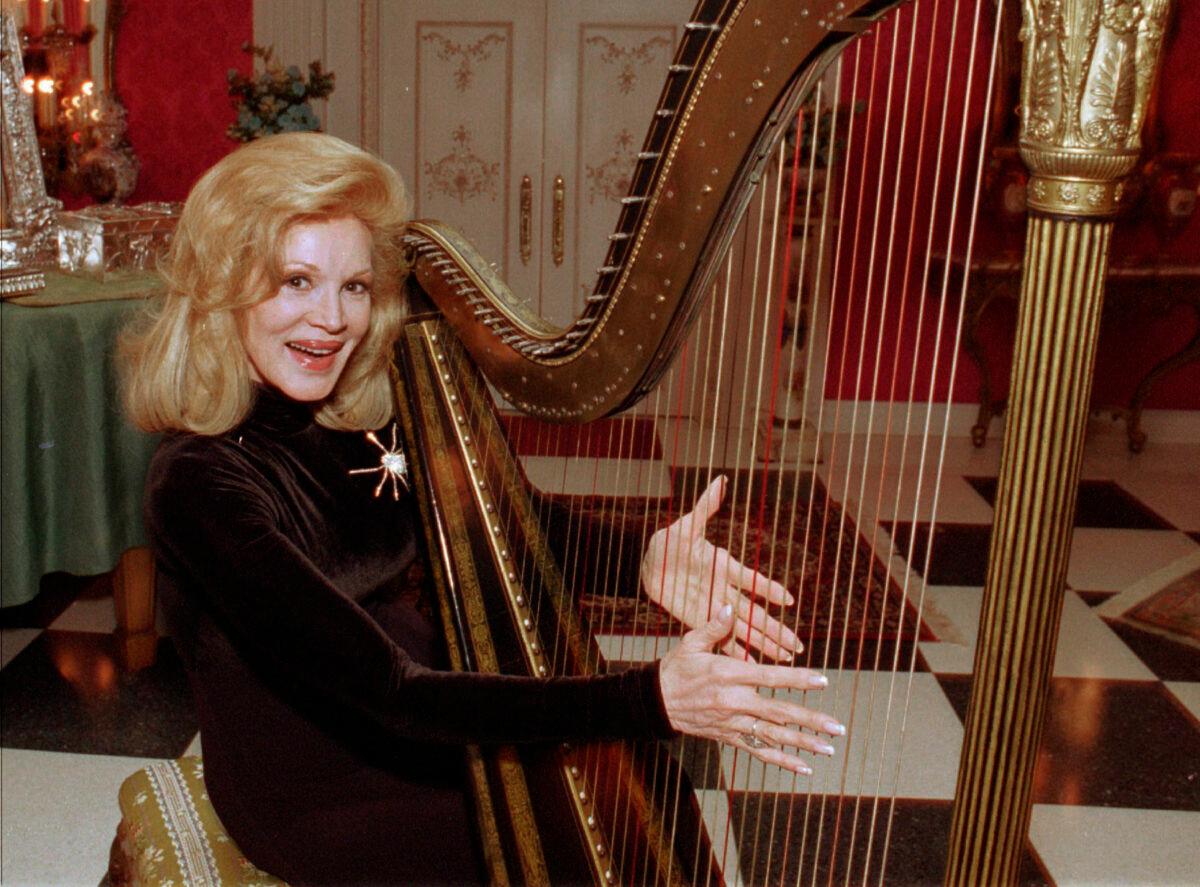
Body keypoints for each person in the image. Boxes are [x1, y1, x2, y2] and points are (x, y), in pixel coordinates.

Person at [120, 132, 843, 885]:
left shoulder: (358, 408)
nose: (332, 319)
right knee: (558, 848)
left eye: (355, 287)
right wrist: (647, 696)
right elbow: (390, 692)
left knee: (642, 792)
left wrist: (642, 560)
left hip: (411, 719)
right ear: (223, 284)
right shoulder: (200, 482)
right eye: (296, 280)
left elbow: (505, 521)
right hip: (316, 790)